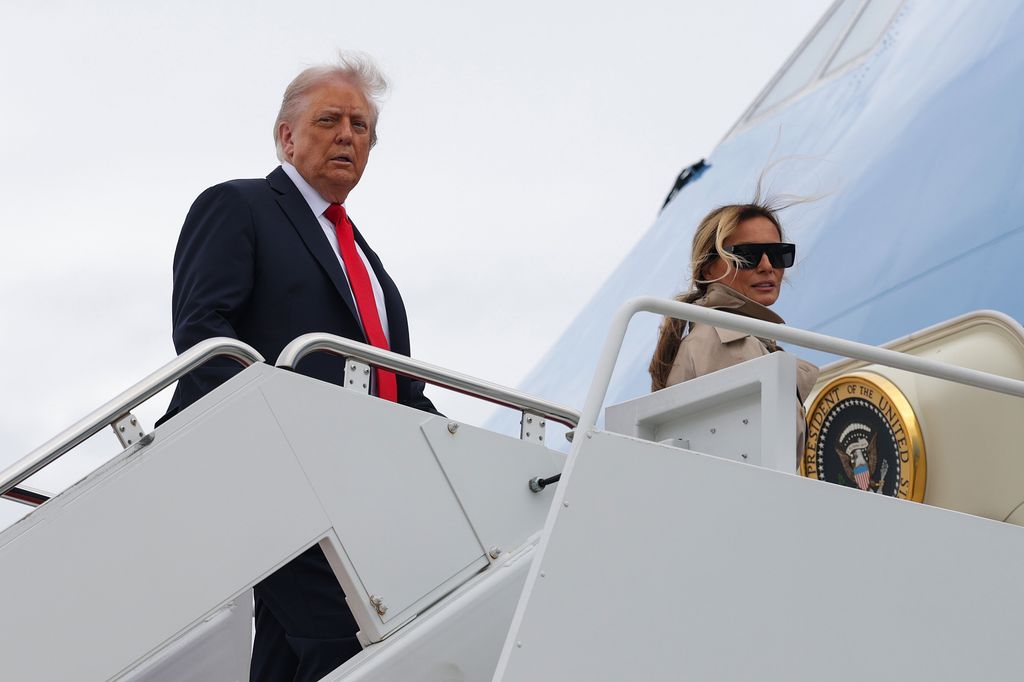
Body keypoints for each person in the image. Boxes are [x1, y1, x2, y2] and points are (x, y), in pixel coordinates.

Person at [162, 54, 438, 682]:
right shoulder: (238, 205)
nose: (347, 136)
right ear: (286, 136)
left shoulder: (367, 262)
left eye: (361, 126)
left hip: (355, 487)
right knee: (352, 639)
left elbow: (402, 390)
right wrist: (282, 433)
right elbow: (203, 335)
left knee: (290, 656)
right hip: (271, 471)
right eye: (329, 120)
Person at [648, 201, 819, 458]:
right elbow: (756, 458)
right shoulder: (727, 341)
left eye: (778, 254)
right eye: (747, 255)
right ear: (708, 268)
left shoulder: (717, 334)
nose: (767, 266)